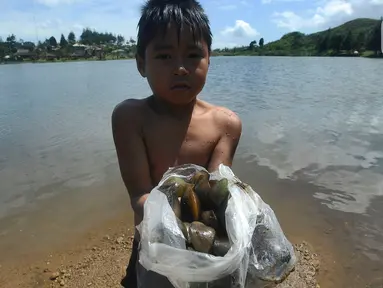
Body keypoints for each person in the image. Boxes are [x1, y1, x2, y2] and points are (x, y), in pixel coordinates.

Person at [111, 0, 242, 287]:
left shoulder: (227, 124)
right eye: (165, 56)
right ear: (141, 63)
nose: (181, 68)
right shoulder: (130, 118)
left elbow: (216, 191)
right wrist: (174, 226)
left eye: (194, 55)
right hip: (152, 243)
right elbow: (139, 195)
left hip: (202, 246)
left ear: (210, 60)